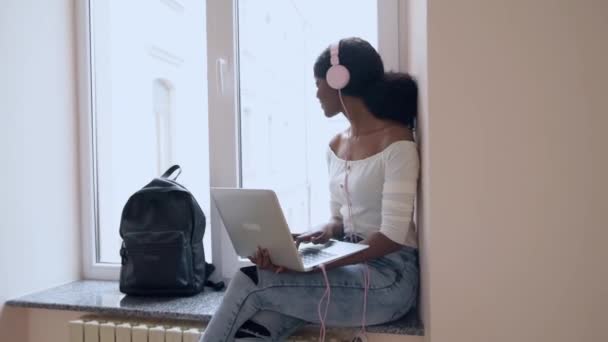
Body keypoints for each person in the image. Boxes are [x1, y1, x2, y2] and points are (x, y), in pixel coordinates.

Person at [200, 37, 420, 342]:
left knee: (249, 280)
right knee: (255, 329)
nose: (316, 93)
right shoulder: (336, 144)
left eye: (319, 83)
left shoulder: (397, 144)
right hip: (350, 268)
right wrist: (317, 237)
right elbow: (339, 220)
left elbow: (392, 237)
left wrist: (319, 265)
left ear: (339, 79)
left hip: (389, 279)